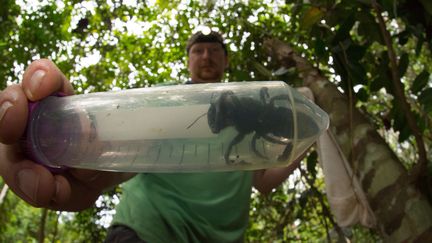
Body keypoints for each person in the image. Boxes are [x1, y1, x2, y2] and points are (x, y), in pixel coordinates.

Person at [0, 31, 301, 242]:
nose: (206, 56)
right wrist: (86, 155)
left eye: (214, 50)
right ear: (188, 61)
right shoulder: (169, 98)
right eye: (198, 50)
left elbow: (261, 179)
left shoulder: (252, 101)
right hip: (148, 231)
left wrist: (306, 137)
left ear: (226, 61)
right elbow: (131, 147)